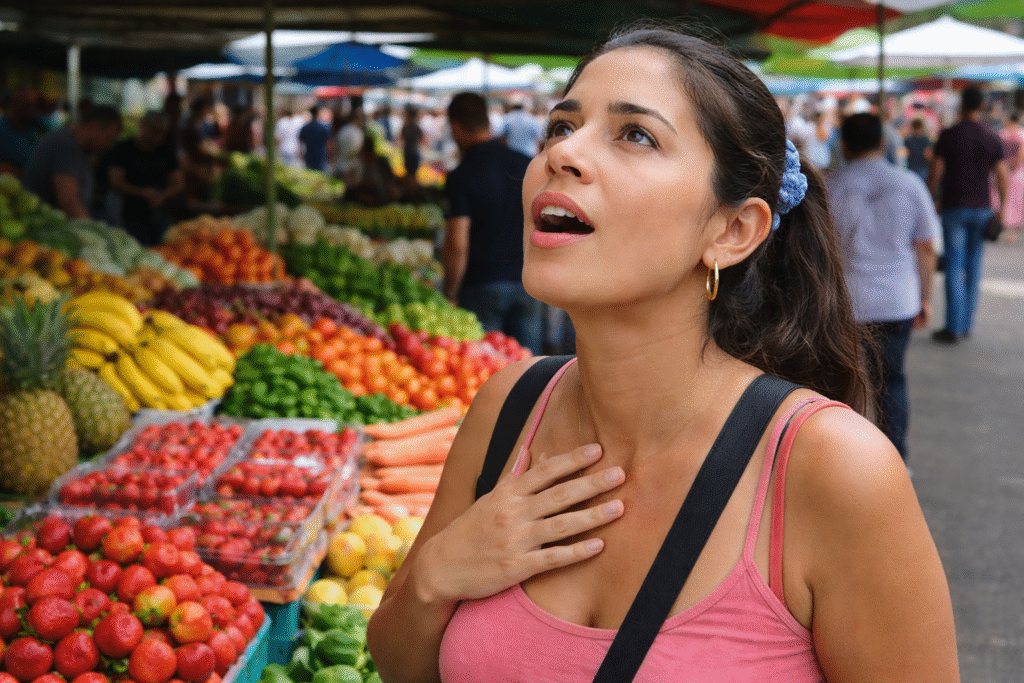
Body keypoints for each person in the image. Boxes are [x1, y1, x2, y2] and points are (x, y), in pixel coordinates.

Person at [367, 26, 958, 683]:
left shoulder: (834, 466)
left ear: (733, 230)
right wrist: (436, 576)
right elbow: (399, 664)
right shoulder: (508, 405)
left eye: (635, 134)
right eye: (561, 126)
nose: (564, 153)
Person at [826, 113, 939, 462]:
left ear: (843, 145)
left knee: (843, 386)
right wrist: (925, 298)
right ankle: (894, 462)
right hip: (896, 300)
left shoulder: (830, 185)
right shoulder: (909, 185)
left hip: (845, 303)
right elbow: (927, 247)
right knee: (891, 382)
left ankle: (845, 463)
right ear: (883, 143)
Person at [440, 91, 544, 355]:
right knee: (529, 370)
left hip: (482, 286)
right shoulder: (524, 164)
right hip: (529, 281)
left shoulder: (462, 176)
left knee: (487, 373)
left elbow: (456, 245)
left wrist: (449, 292)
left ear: (456, 127)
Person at [928, 85, 1008, 345]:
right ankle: (966, 324)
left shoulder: (949, 134)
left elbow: (936, 173)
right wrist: (1003, 208)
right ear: (982, 106)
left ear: (962, 104)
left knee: (953, 265)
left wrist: (931, 200)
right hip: (983, 209)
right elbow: (1002, 174)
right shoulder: (991, 135)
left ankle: (953, 326)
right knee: (973, 267)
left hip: (954, 208)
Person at [22, 105, 121, 220]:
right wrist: (91, 231)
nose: (109, 146)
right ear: (93, 127)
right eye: (109, 138)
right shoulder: (66, 146)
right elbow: (69, 202)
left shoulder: (72, 144)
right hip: (43, 225)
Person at [107, 111, 184, 246]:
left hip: (160, 216)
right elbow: (115, 181)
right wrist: (142, 192)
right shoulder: (123, 149)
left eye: (162, 133)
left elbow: (178, 183)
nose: (157, 136)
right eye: (154, 131)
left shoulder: (166, 152)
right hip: (129, 215)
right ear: (142, 126)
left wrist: (163, 195)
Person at [0, 88, 50, 176]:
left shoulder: (42, 124)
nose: (33, 109)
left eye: (35, 105)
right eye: (27, 105)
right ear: (12, 104)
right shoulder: (2, 129)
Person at [991, 111, 1023, 244]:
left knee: (1001, 199)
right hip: (1017, 173)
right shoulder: (1021, 134)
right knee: (1016, 202)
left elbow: (997, 154)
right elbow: (1021, 155)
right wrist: (1014, 166)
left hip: (1002, 170)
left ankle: (1001, 227)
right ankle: (1012, 232)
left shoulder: (1001, 134)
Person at [298, 105, 333, 172]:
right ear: (317, 114)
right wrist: (330, 156)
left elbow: (300, 143)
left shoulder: (306, 128)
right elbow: (329, 143)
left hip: (309, 157)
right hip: (320, 157)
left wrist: (301, 154)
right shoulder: (323, 128)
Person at [903, 117, 933, 182]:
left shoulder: (907, 140)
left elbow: (905, 154)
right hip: (922, 169)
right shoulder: (926, 140)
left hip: (910, 168)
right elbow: (927, 155)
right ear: (921, 127)